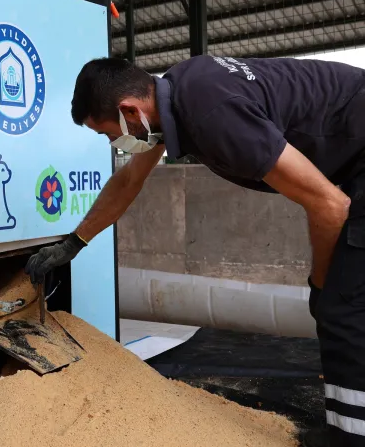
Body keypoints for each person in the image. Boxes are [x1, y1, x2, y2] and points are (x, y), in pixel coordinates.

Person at [24, 55, 365, 447]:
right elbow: (129, 179)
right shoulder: (179, 94)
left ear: (129, 111)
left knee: (343, 308)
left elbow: (330, 205)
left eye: (108, 134)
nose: (113, 143)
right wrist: (74, 242)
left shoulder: (212, 116)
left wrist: (321, 286)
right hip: (354, 157)